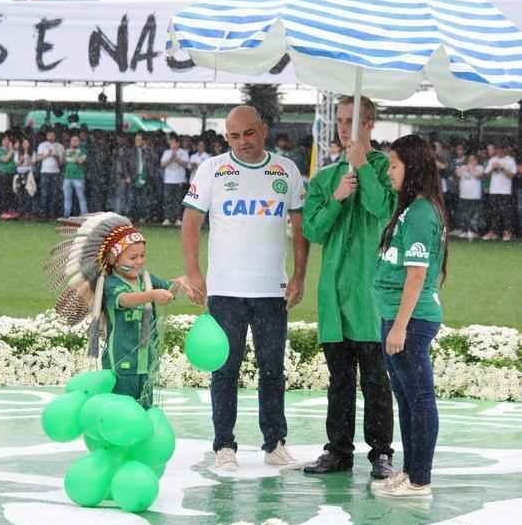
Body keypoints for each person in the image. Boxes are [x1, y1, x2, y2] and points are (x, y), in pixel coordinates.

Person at [181, 106, 309, 471]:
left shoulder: (286, 170)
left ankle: (275, 444)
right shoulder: (212, 169)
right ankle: (224, 446)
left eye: (249, 134)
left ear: (264, 130)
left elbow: (300, 230)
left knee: (272, 369)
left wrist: (299, 275)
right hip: (225, 290)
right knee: (224, 369)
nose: (242, 142)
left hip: (272, 289)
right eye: (234, 136)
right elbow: (191, 221)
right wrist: (194, 272)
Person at [302, 96, 395, 479]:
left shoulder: (387, 170)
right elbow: (312, 230)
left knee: (376, 381)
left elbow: (383, 211)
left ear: (369, 124)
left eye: (351, 121)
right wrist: (338, 198)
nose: (343, 128)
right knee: (339, 382)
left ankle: (381, 454)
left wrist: (364, 170)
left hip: (370, 295)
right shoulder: (326, 178)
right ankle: (338, 451)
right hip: (333, 297)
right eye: (340, 120)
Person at [49, 213, 192, 408]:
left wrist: (182, 283)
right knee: (121, 408)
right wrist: (151, 296)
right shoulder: (110, 283)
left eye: (142, 256)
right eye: (132, 257)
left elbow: (168, 291)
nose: (139, 261)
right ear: (114, 259)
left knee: (145, 408)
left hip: (146, 362)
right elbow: (125, 300)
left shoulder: (147, 279)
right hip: (122, 362)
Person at [372, 134, 447, 498]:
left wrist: (400, 326)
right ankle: (411, 470)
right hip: (398, 316)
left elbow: (417, 274)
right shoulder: (411, 208)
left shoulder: (419, 213)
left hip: (411, 321)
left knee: (419, 399)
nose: (389, 172)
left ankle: (420, 480)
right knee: (406, 398)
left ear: (412, 168)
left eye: (394, 165)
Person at [482, 141, 517, 241]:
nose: (500, 151)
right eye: (498, 149)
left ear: (505, 150)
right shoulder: (492, 159)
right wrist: (493, 167)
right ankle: (493, 232)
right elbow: (486, 175)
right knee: (494, 213)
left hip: (505, 191)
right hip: (494, 190)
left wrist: (501, 168)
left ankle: (507, 232)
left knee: (506, 213)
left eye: (502, 149)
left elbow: (512, 175)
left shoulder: (510, 160)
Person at [161, 134, 189, 227]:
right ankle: (168, 218)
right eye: (170, 142)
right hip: (168, 180)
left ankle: (177, 218)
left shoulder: (183, 152)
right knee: (168, 200)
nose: (171, 144)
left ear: (177, 143)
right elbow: (162, 164)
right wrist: (171, 158)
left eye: (173, 142)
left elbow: (186, 165)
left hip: (179, 180)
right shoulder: (166, 152)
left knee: (178, 200)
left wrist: (176, 159)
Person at [455, 153, 483, 240]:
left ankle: (473, 231)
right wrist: (462, 169)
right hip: (464, 194)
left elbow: (478, 175)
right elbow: (458, 174)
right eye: (470, 160)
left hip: (474, 195)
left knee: (474, 214)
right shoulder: (464, 167)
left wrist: (470, 169)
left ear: (476, 160)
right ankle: (464, 230)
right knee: (464, 214)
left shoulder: (480, 167)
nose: (471, 161)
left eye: (473, 160)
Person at [37, 129, 64, 219]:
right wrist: (47, 155)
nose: (51, 137)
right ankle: (43, 215)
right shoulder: (42, 145)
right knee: (44, 194)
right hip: (44, 172)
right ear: (47, 136)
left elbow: (61, 163)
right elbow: (38, 158)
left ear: (55, 136)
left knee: (54, 194)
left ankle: (52, 214)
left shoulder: (60, 146)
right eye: (49, 135)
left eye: (52, 135)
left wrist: (56, 156)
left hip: (55, 172)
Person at [63, 135, 88, 218]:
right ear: (70, 142)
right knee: (67, 197)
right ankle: (66, 216)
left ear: (79, 142)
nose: (74, 142)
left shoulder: (83, 150)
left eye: (76, 140)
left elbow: (80, 161)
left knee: (81, 197)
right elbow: (63, 161)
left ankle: (84, 216)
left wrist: (73, 153)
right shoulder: (67, 150)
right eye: (72, 140)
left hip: (78, 177)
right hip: (67, 177)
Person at [13, 138, 37, 219]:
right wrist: (22, 158)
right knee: (19, 193)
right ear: (22, 144)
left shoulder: (33, 152)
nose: (25, 144)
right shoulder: (17, 153)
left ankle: (28, 212)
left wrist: (27, 158)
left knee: (29, 193)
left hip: (29, 175)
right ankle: (20, 212)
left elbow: (33, 163)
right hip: (19, 174)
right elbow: (17, 164)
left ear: (29, 144)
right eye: (24, 143)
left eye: (27, 143)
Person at [0, 135, 18, 219]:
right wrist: (12, 150)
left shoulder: (11, 150)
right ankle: (4, 212)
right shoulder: (0, 150)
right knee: (4, 193)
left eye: (8, 140)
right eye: (4, 140)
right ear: (1, 141)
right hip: (3, 174)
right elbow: (5, 159)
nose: (6, 141)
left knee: (11, 193)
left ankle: (10, 212)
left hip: (12, 174)